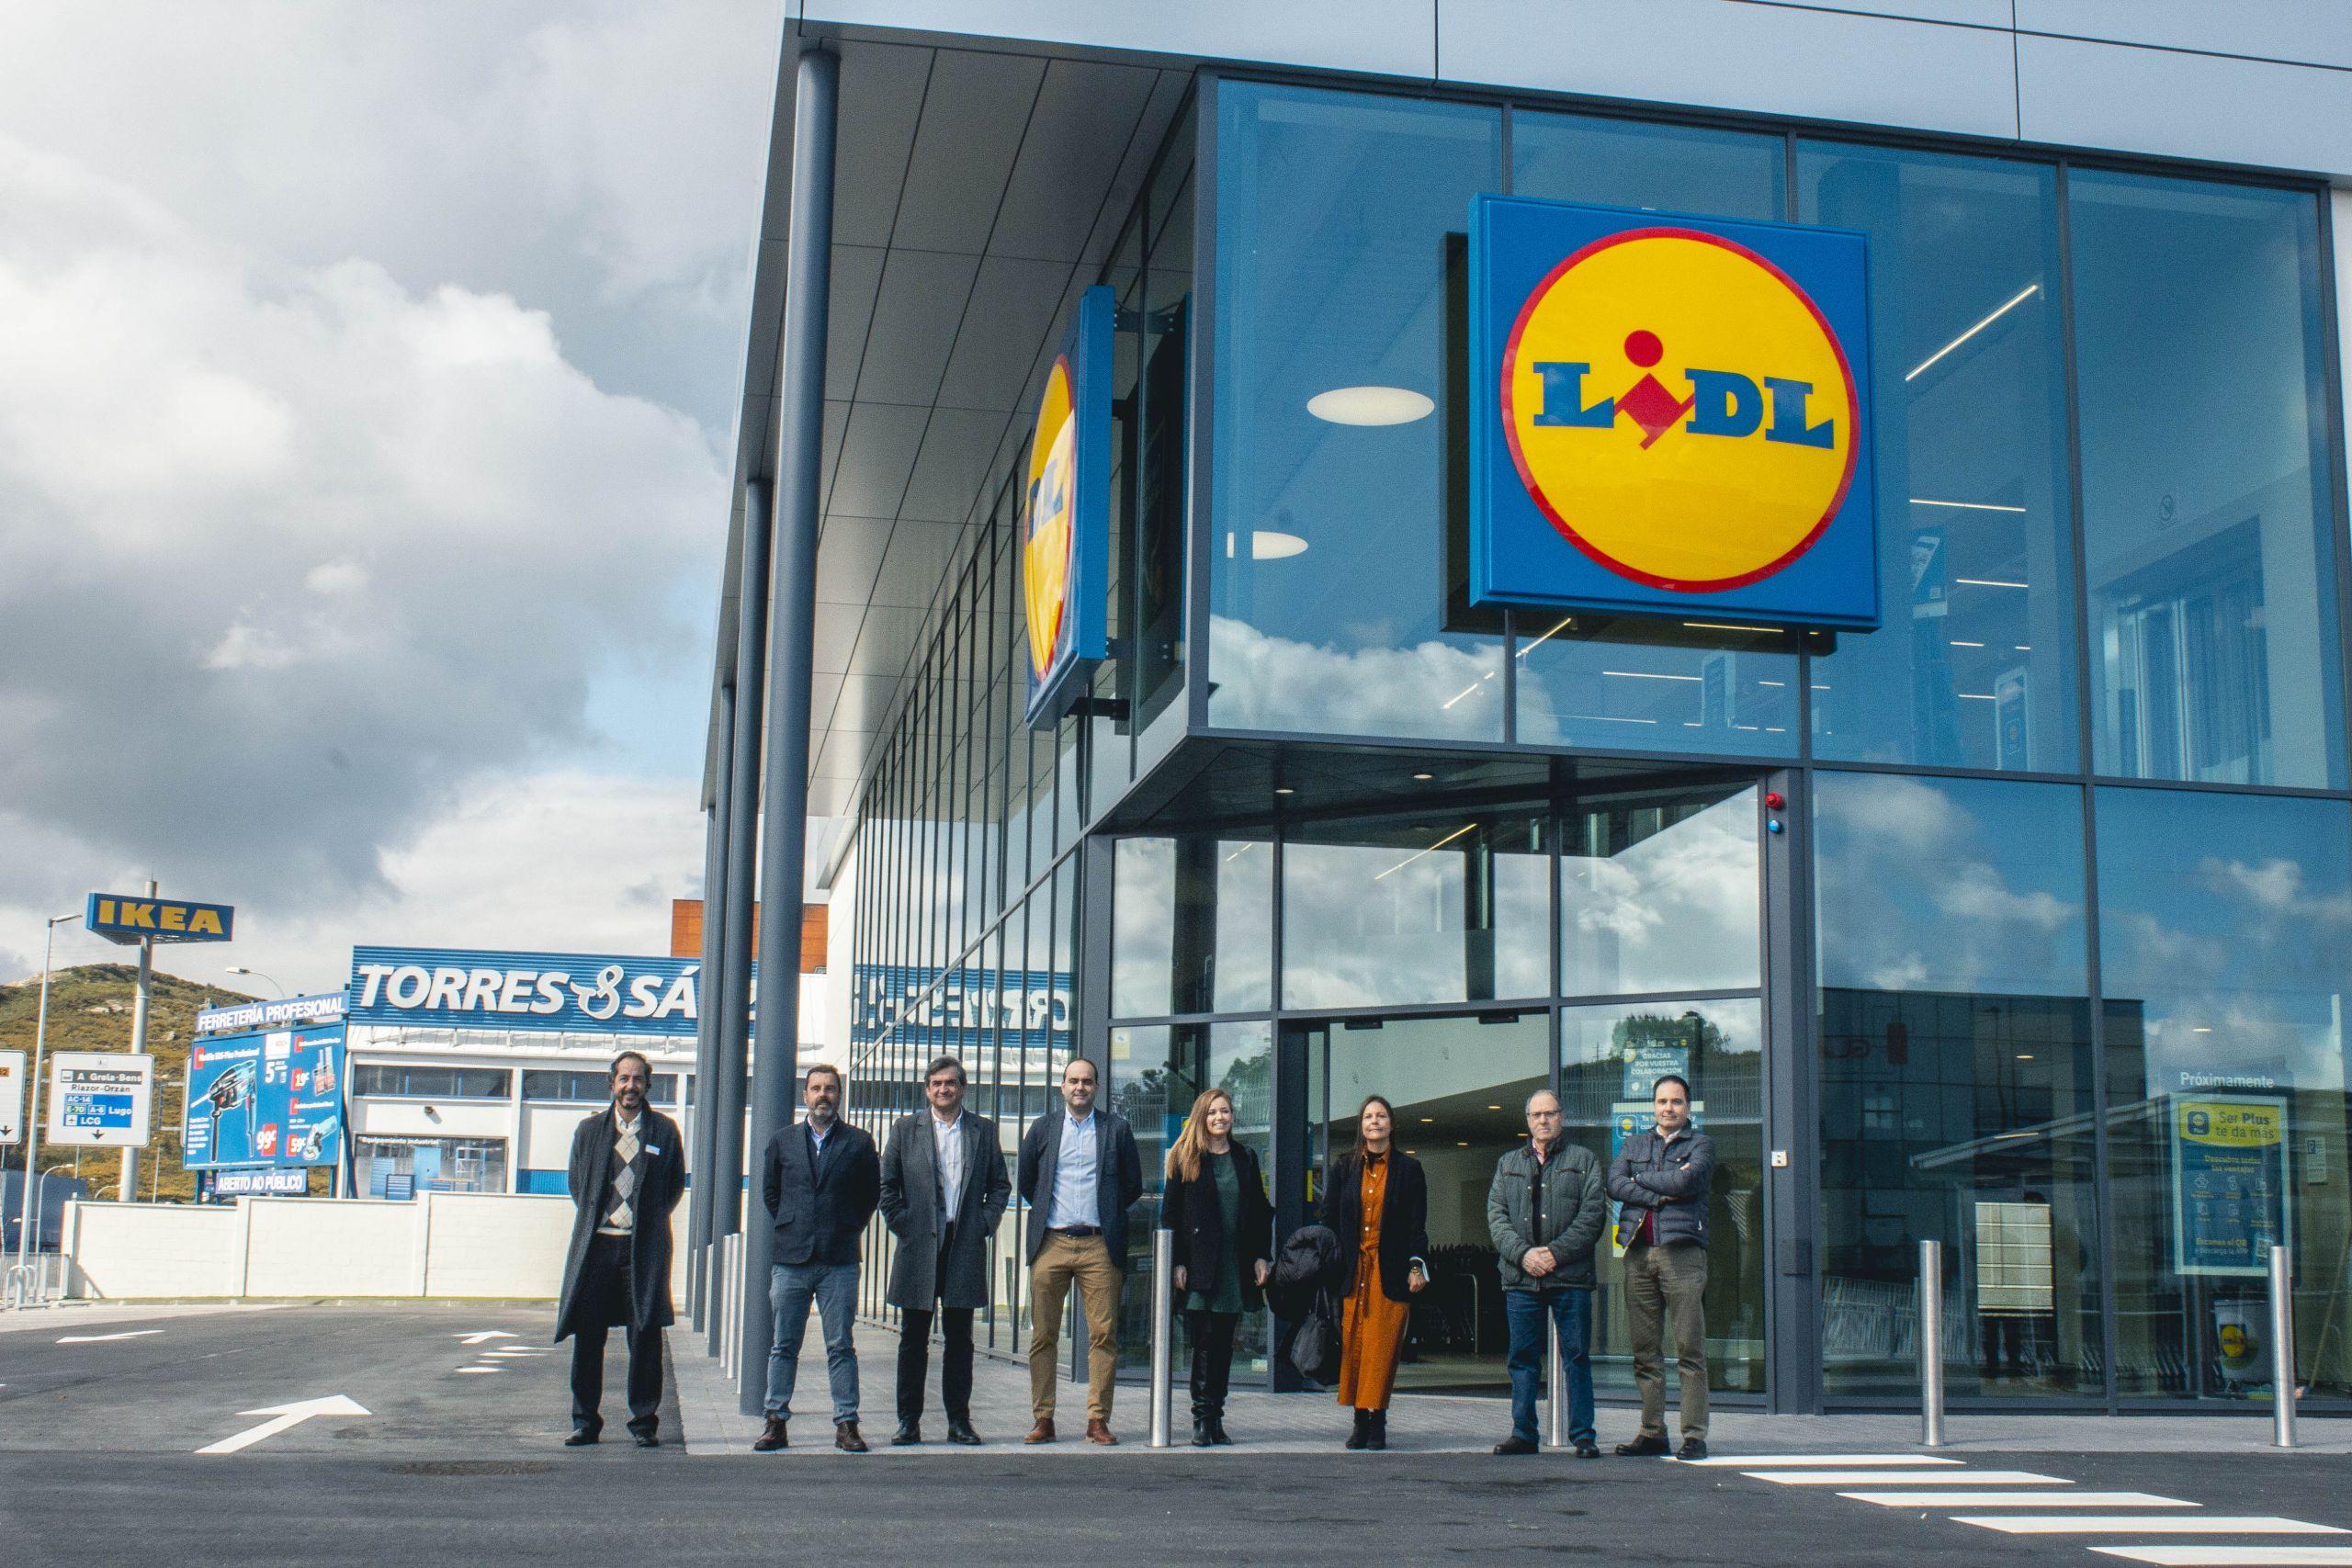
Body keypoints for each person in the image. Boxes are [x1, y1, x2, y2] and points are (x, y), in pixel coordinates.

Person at [554, 1051, 685, 1448]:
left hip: (642, 1250)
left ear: (648, 1084)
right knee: (588, 1336)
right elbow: (578, 1185)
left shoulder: (665, 1131)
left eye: (638, 1079)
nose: (631, 1086)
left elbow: (673, 1187)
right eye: (624, 1079)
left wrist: (643, 1223)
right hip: (596, 1248)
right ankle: (585, 1421)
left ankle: (644, 1423)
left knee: (644, 1335)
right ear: (612, 1083)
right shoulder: (589, 1131)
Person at [878, 1054, 1010, 1446]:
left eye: (950, 1082)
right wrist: (903, 1224)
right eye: (936, 1084)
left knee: (960, 1340)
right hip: (919, 1244)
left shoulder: (983, 1131)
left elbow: (999, 1185)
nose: (943, 1089)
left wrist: (984, 1223)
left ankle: (959, 1422)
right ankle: (908, 1422)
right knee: (912, 1339)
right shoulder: (906, 1130)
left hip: (963, 1242)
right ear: (927, 1089)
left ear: (962, 1088)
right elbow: (887, 1186)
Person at [752, 1063, 880, 1454]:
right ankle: (775, 1422)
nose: (823, 1095)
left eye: (830, 1088)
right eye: (816, 1088)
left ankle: (847, 1424)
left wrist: (846, 1226)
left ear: (839, 1095)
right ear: (805, 1095)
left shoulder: (859, 1142)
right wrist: (794, 1224)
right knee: (783, 1344)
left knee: (840, 1345)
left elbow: (870, 1195)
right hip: (791, 1260)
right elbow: (771, 1192)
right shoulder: (782, 1141)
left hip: (839, 1260)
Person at [1017, 1055, 1143, 1445]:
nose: (1080, 1087)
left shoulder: (1116, 1129)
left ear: (1096, 1087)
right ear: (1063, 1086)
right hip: (1051, 1242)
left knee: (1104, 1334)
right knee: (1043, 1335)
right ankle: (1043, 1418)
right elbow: (1028, 1181)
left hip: (1099, 1245)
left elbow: (1132, 1185)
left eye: (1087, 1081)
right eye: (1073, 1081)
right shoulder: (1043, 1129)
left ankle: (1097, 1420)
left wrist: (1106, 1213)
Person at [1486, 1089, 1604, 1457]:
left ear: (1561, 1117)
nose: (1543, 1120)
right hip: (1522, 1278)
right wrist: (1524, 1255)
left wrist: (1554, 1254)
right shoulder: (1508, 1163)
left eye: (1550, 1113)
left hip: (1570, 1277)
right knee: (1522, 1359)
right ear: (1528, 1121)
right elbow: (1497, 1218)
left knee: (1577, 1357)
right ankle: (1523, 1433)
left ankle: (1583, 1435)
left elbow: (1593, 1216)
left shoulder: (1584, 1160)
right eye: (1536, 1115)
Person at [1606, 1073, 1716, 1461]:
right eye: (1662, 1101)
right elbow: (1614, 1183)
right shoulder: (1634, 1143)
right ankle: (1652, 1432)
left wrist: (1640, 1179)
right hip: (1638, 1253)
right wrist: (1659, 1191)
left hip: (1682, 1255)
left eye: (1676, 1101)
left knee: (1689, 1348)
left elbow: (1687, 1184)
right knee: (1645, 1351)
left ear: (1687, 1107)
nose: (1668, 1108)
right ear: (1653, 1106)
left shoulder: (1701, 1144)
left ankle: (1694, 1435)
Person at [1165, 1088, 1272, 1447]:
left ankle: (1216, 1418)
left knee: (1225, 1344)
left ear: (1232, 1117)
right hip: (1199, 1265)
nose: (1219, 1118)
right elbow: (1171, 1215)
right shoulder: (1184, 1157)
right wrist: (1177, 1262)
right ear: (1202, 1116)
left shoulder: (1245, 1157)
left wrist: (1261, 1255)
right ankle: (1201, 1417)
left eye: (1225, 1111)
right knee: (1204, 1342)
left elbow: (1259, 1212)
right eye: (1212, 1112)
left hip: (1234, 1264)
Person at [1321, 1093, 1429, 1450]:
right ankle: (1359, 1421)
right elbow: (1328, 1220)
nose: (1375, 1122)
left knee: (1381, 1350)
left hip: (1390, 1274)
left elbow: (1417, 1226)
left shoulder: (1409, 1170)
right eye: (1368, 1117)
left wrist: (1416, 1266)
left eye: (1381, 1116)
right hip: (1353, 1273)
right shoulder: (1343, 1167)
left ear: (1391, 1124)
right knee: (1354, 1346)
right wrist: (1329, 1264)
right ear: (1361, 1125)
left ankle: (1378, 1420)